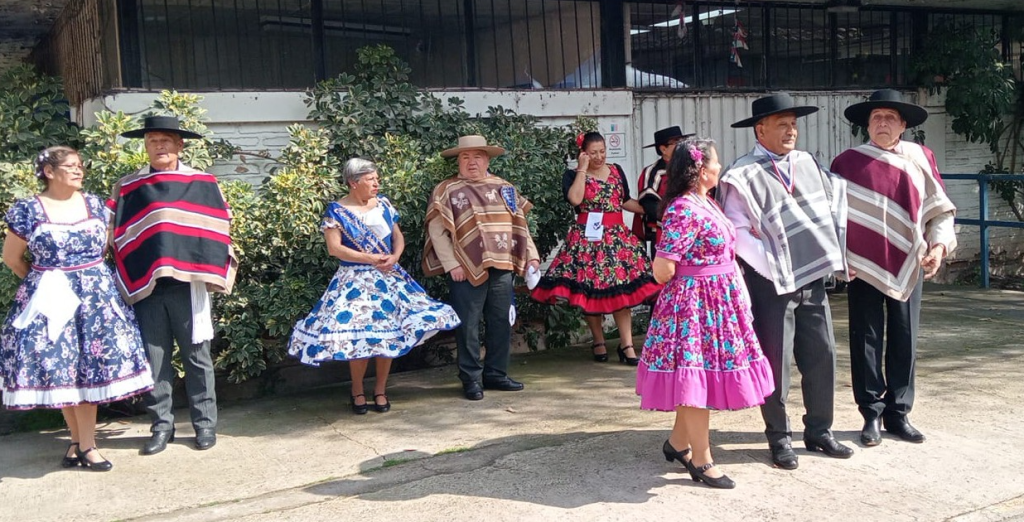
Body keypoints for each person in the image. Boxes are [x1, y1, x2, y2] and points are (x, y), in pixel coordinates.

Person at [717, 93, 854, 470]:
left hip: (811, 276)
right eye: (783, 124)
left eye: (794, 124)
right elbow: (738, 232)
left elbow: (830, 210)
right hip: (770, 281)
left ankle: (820, 430)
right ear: (760, 130)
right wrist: (775, 264)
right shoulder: (740, 174)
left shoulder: (808, 163)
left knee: (822, 354)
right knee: (775, 362)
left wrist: (837, 254)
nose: (791, 131)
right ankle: (779, 438)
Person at [1, 146, 154, 472]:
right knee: (65, 373)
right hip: (51, 300)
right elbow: (12, 258)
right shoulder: (29, 210)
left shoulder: (96, 206)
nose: (78, 171)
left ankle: (83, 444)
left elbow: (110, 246)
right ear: (49, 172)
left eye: (79, 165)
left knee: (89, 370)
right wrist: (42, 286)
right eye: (70, 166)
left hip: (95, 301)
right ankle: (81, 444)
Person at [637, 137, 774, 489]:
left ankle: (679, 443)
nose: (719, 167)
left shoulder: (705, 202)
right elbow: (662, 268)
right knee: (696, 380)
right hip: (694, 306)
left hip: (715, 303)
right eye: (715, 161)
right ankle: (700, 459)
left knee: (697, 379)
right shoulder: (685, 208)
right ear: (700, 169)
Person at [831, 89, 957, 446]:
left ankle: (899, 413)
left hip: (910, 261)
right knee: (865, 338)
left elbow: (940, 211)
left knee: (905, 337)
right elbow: (834, 217)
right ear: (867, 125)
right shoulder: (848, 162)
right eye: (876, 118)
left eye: (890, 117)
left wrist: (939, 245)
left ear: (903, 124)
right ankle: (870, 414)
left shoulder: (920, 158)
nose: (882, 123)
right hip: (861, 265)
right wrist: (840, 258)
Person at [288, 158, 461, 414]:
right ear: (353, 183)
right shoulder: (336, 211)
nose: (376, 183)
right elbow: (335, 249)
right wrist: (370, 258)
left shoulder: (384, 204)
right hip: (354, 281)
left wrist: (394, 256)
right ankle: (357, 390)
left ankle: (381, 390)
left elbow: (397, 236)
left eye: (377, 179)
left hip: (388, 278)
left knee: (387, 338)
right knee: (360, 339)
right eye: (371, 180)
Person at [112, 115, 237, 455]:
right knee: (155, 361)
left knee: (198, 358)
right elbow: (118, 233)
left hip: (188, 284)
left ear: (180, 144)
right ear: (146, 146)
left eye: (166, 139)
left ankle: (205, 425)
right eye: (153, 140)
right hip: (147, 285)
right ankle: (161, 426)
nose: (160, 145)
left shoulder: (202, 182)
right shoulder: (129, 186)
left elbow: (216, 224)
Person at [423, 135, 541, 401]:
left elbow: (519, 226)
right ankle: (471, 379)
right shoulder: (447, 190)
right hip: (464, 268)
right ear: (458, 161)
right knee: (468, 325)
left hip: (502, 265)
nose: (471, 162)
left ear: (487, 159)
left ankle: (496, 374)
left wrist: (531, 256)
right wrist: (451, 264)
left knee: (500, 321)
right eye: (465, 157)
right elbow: (437, 231)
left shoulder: (504, 187)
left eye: (477, 156)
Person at [531, 132, 661, 365]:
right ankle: (599, 340)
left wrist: (652, 210)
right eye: (593, 153)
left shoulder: (616, 170)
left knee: (621, 292)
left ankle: (627, 345)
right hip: (587, 241)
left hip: (616, 240)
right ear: (583, 153)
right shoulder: (572, 175)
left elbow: (624, 201)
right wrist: (582, 169)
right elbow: (575, 200)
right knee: (590, 293)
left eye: (602, 151)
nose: (599, 156)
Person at [632, 126, 694, 252]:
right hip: (664, 233)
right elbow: (650, 205)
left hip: (693, 230)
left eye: (683, 142)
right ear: (663, 149)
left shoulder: (692, 168)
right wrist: (677, 221)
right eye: (676, 143)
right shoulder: (653, 172)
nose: (682, 146)